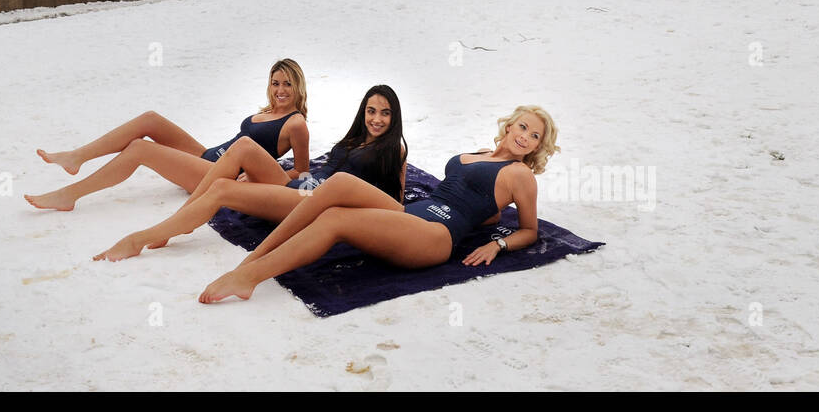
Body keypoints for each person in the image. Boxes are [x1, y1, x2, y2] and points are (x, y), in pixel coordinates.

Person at [198, 105, 558, 304]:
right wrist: (485, 215)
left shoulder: (520, 174)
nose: (525, 136)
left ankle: (250, 275)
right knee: (337, 184)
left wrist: (497, 244)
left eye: (535, 135)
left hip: (434, 236)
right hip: (410, 215)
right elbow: (487, 207)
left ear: (538, 146)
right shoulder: (480, 152)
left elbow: (529, 230)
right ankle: (257, 256)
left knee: (336, 220)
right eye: (522, 127)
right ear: (509, 125)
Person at [94, 85, 409, 261]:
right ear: (363, 112)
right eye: (371, 111)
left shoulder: (394, 149)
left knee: (221, 189)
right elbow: (323, 170)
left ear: (394, 118)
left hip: (313, 202)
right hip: (300, 186)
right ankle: (183, 220)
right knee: (244, 145)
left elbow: (395, 203)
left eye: (385, 113)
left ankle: (147, 237)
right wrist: (287, 173)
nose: (377, 119)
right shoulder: (356, 139)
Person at [25, 58, 310, 211]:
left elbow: (302, 171)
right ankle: (77, 157)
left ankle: (70, 195)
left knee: (140, 149)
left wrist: (261, 176)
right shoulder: (268, 110)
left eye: (287, 84)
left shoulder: (296, 123)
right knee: (150, 119)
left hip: (216, 173)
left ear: (298, 87)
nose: (280, 90)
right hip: (207, 155)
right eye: (275, 83)